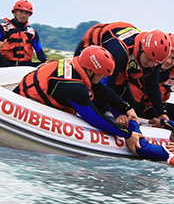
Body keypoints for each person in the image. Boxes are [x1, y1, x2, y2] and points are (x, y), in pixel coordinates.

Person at [14, 45, 144, 153]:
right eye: (102, 74)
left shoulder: (77, 66)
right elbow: (95, 118)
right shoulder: (75, 88)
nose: (104, 77)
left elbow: (101, 90)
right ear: (90, 71)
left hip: (27, 94)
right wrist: (127, 135)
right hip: (27, 105)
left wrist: (126, 108)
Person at [74, 22, 172, 124]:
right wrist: (119, 114)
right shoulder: (119, 52)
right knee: (98, 101)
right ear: (141, 48)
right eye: (148, 59)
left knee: (132, 108)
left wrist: (161, 113)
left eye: (154, 62)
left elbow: (152, 85)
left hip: (119, 70)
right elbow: (105, 86)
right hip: (92, 52)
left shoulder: (157, 58)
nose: (150, 64)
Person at [0, 0, 48, 68]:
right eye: (21, 11)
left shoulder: (32, 32)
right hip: (5, 64)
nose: (23, 15)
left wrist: (46, 60)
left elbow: (39, 51)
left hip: (25, 66)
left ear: (29, 15)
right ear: (14, 12)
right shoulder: (3, 28)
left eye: (26, 13)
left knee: (48, 65)